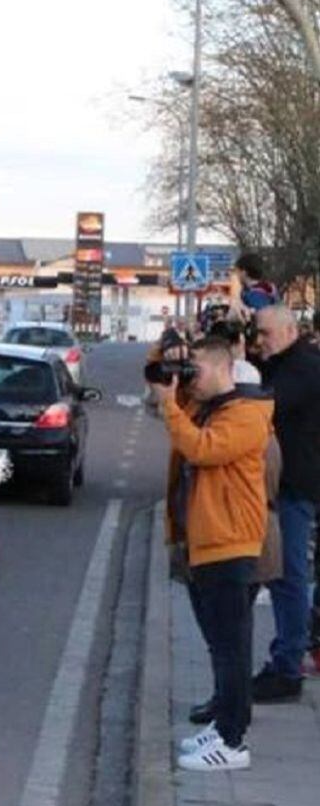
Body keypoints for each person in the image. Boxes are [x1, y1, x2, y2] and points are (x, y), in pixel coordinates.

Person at [154, 337, 273, 770]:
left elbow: (203, 449)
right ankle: (222, 724)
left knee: (232, 647)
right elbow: (164, 387)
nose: (191, 381)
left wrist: (170, 406)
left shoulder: (246, 414)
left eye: (196, 372)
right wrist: (171, 358)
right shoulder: (212, 408)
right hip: (206, 542)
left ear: (225, 370)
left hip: (230, 543)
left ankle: (233, 741)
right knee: (220, 645)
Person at [251, 304, 320, 701]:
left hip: (296, 486)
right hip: (291, 483)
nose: (261, 341)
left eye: (266, 334)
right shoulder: (285, 363)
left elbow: (265, 408)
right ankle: (288, 657)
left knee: (288, 574)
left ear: (290, 330)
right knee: (286, 574)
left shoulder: (303, 368)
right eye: (258, 334)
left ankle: (287, 666)